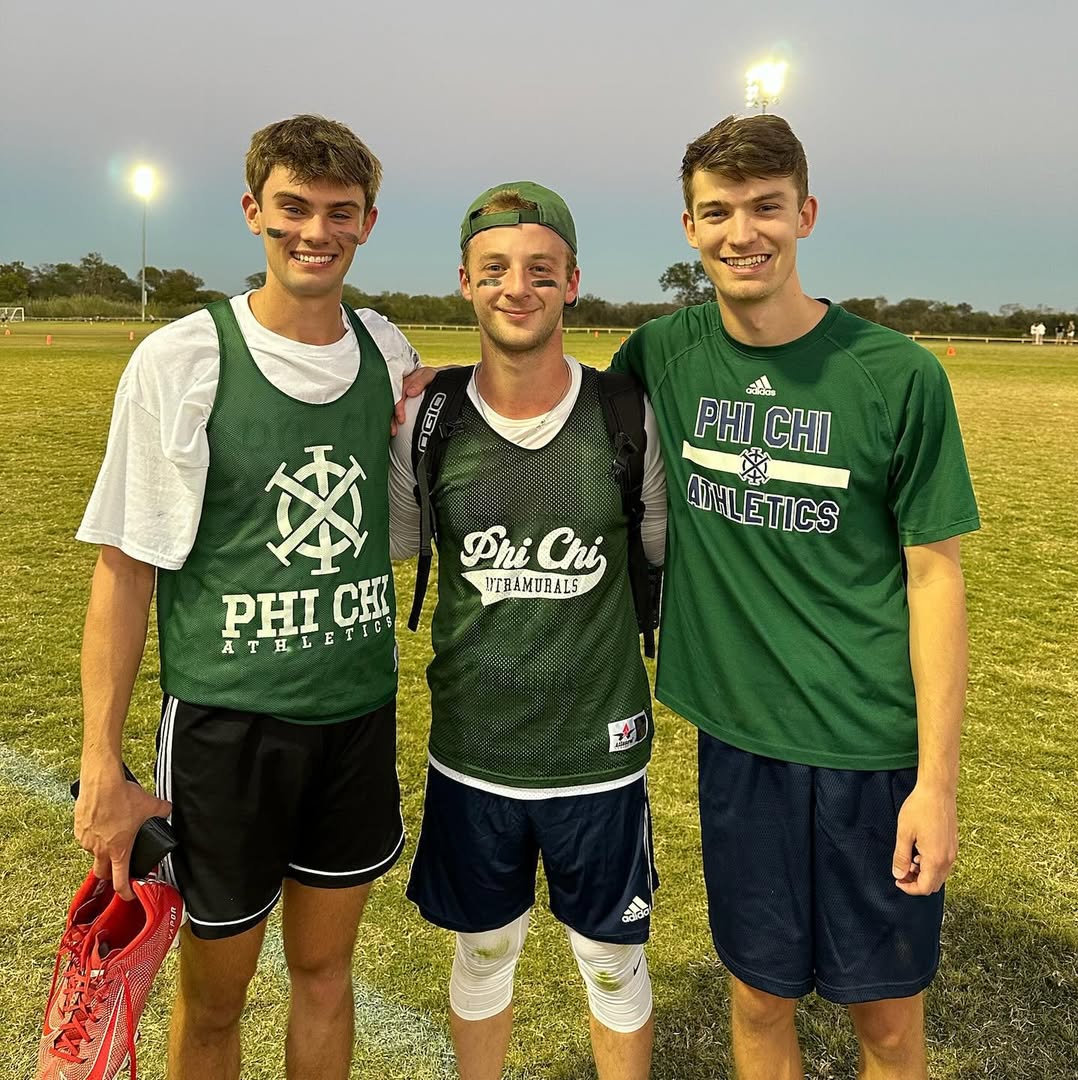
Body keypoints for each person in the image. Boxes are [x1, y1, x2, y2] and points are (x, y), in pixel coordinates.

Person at [612, 114, 980, 1080]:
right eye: (718, 211)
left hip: (871, 752)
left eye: (766, 207)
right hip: (741, 747)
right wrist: (428, 387)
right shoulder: (661, 354)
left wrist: (936, 786)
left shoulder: (898, 375)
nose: (743, 233)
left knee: (887, 1024)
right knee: (758, 999)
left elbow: (935, 577)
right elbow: (556, 407)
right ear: (690, 227)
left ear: (805, 214)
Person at [73, 114, 419, 1080]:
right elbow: (126, 568)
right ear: (252, 210)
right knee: (215, 999)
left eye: (340, 212)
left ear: (368, 222)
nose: (316, 232)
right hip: (228, 732)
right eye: (293, 208)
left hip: (355, 716)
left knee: (326, 974)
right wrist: (101, 763)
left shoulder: (386, 349)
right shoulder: (184, 359)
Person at [389, 182, 666, 1080]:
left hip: (599, 752)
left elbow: (660, 563)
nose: (519, 287)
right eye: (497, 268)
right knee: (482, 951)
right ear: (465, 281)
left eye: (542, 270)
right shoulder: (428, 420)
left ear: (572, 282)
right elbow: (398, 543)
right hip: (473, 750)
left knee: (611, 959)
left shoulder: (625, 414)